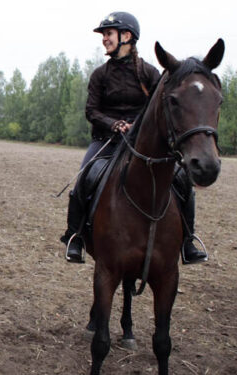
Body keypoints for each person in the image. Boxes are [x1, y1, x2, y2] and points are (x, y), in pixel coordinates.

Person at [60, 11, 208, 265]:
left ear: (126, 36)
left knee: (183, 181)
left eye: (108, 34)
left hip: (143, 143)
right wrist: (114, 124)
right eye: (104, 35)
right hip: (107, 140)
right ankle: (76, 237)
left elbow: (159, 108)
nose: (104, 39)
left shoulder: (151, 73)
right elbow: (91, 111)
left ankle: (188, 240)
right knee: (84, 177)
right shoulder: (100, 75)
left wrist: (137, 126)